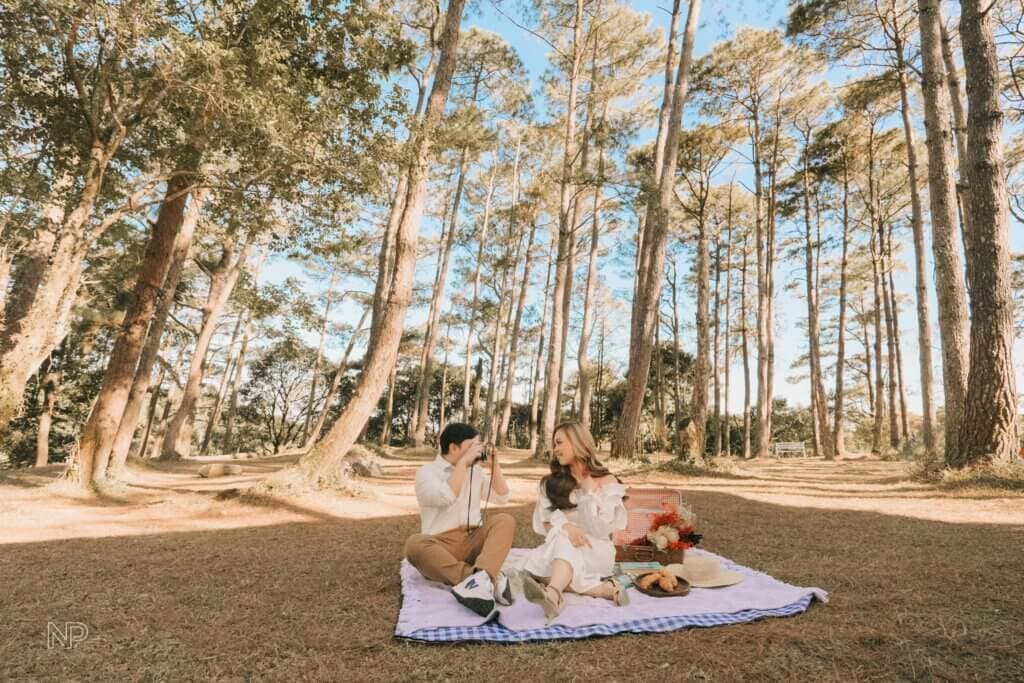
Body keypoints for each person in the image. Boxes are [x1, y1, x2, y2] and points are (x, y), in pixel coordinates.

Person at [403, 422, 516, 619]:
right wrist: (462, 465)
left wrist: (495, 466)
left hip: (473, 540)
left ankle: (480, 580)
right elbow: (445, 497)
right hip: (440, 546)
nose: (478, 449)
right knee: (414, 544)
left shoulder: (476, 471)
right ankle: (484, 579)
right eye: (473, 445)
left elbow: (502, 497)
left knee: (504, 520)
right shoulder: (426, 473)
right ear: (454, 448)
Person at [520, 421, 630, 620]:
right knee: (535, 563)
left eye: (559, 443)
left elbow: (602, 529)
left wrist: (588, 492)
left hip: (595, 549)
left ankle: (553, 593)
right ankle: (599, 589)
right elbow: (544, 521)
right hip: (563, 546)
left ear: (578, 442)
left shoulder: (607, 481)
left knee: (540, 566)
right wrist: (567, 527)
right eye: (554, 444)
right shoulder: (550, 483)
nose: (555, 450)